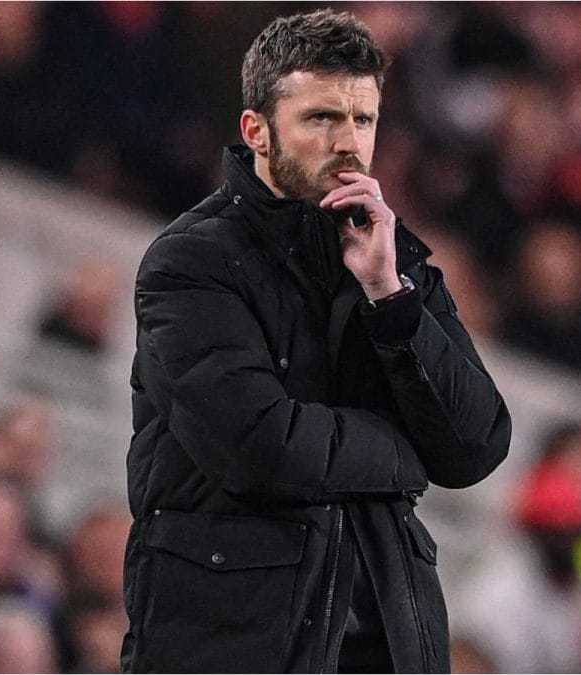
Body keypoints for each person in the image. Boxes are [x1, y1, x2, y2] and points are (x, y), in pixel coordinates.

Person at [120, 10, 511, 673]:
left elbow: (478, 444)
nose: (350, 143)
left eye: (364, 119)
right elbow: (259, 447)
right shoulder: (190, 262)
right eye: (322, 118)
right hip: (233, 648)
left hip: (382, 646)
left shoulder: (392, 259)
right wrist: (402, 453)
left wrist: (390, 297)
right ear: (257, 130)